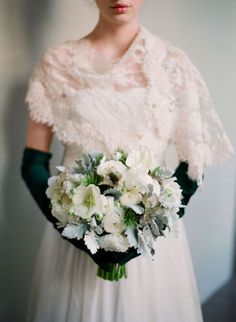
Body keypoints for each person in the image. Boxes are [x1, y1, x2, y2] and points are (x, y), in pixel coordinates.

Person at [20, 0, 234, 321]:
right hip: (75, 237)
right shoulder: (57, 63)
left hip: (153, 249)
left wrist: (149, 229)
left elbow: (193, 166)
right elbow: (33, 163)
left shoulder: (172, 65)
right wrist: (73, 230)